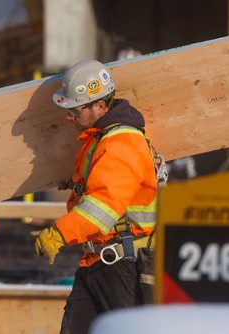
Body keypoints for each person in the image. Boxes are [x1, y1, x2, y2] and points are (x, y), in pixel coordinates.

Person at [34, 60, 159, 334]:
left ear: (100, 106)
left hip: (121, 268)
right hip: (97, 262)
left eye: (74, 110)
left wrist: (59, 233)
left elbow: (102, 207)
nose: (69, 117)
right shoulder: (98, 139)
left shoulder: (121, 143)